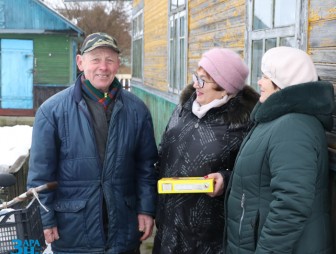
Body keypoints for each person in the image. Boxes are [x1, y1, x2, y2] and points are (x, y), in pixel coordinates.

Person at [27, 32, 158, 254]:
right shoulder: (52, 111)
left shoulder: (137, 111)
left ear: (118, 64)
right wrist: (46, 219)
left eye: (109, 60)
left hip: (123, 227)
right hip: (73, 230)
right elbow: (40, 175)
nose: (103, 67)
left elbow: (146, 167)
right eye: (95, 59)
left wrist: (146, 209)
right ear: (80, 62)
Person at [224, 46, 334, 253]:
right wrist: (226, 181)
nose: (259, 81)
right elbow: (262, 179)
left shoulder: (294, 127)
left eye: (266, 76)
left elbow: (291, 204)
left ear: (284, 82)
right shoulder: (276, 120)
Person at [152, 48, 259, 253]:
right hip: (167, 229)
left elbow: (253, 177)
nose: (195, 85)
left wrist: (225, 180)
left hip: (208, 240)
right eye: (196, 77)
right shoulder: (183, 108)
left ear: (225, 87)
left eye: (203, 80)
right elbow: (164, 148)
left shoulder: (243, 124)